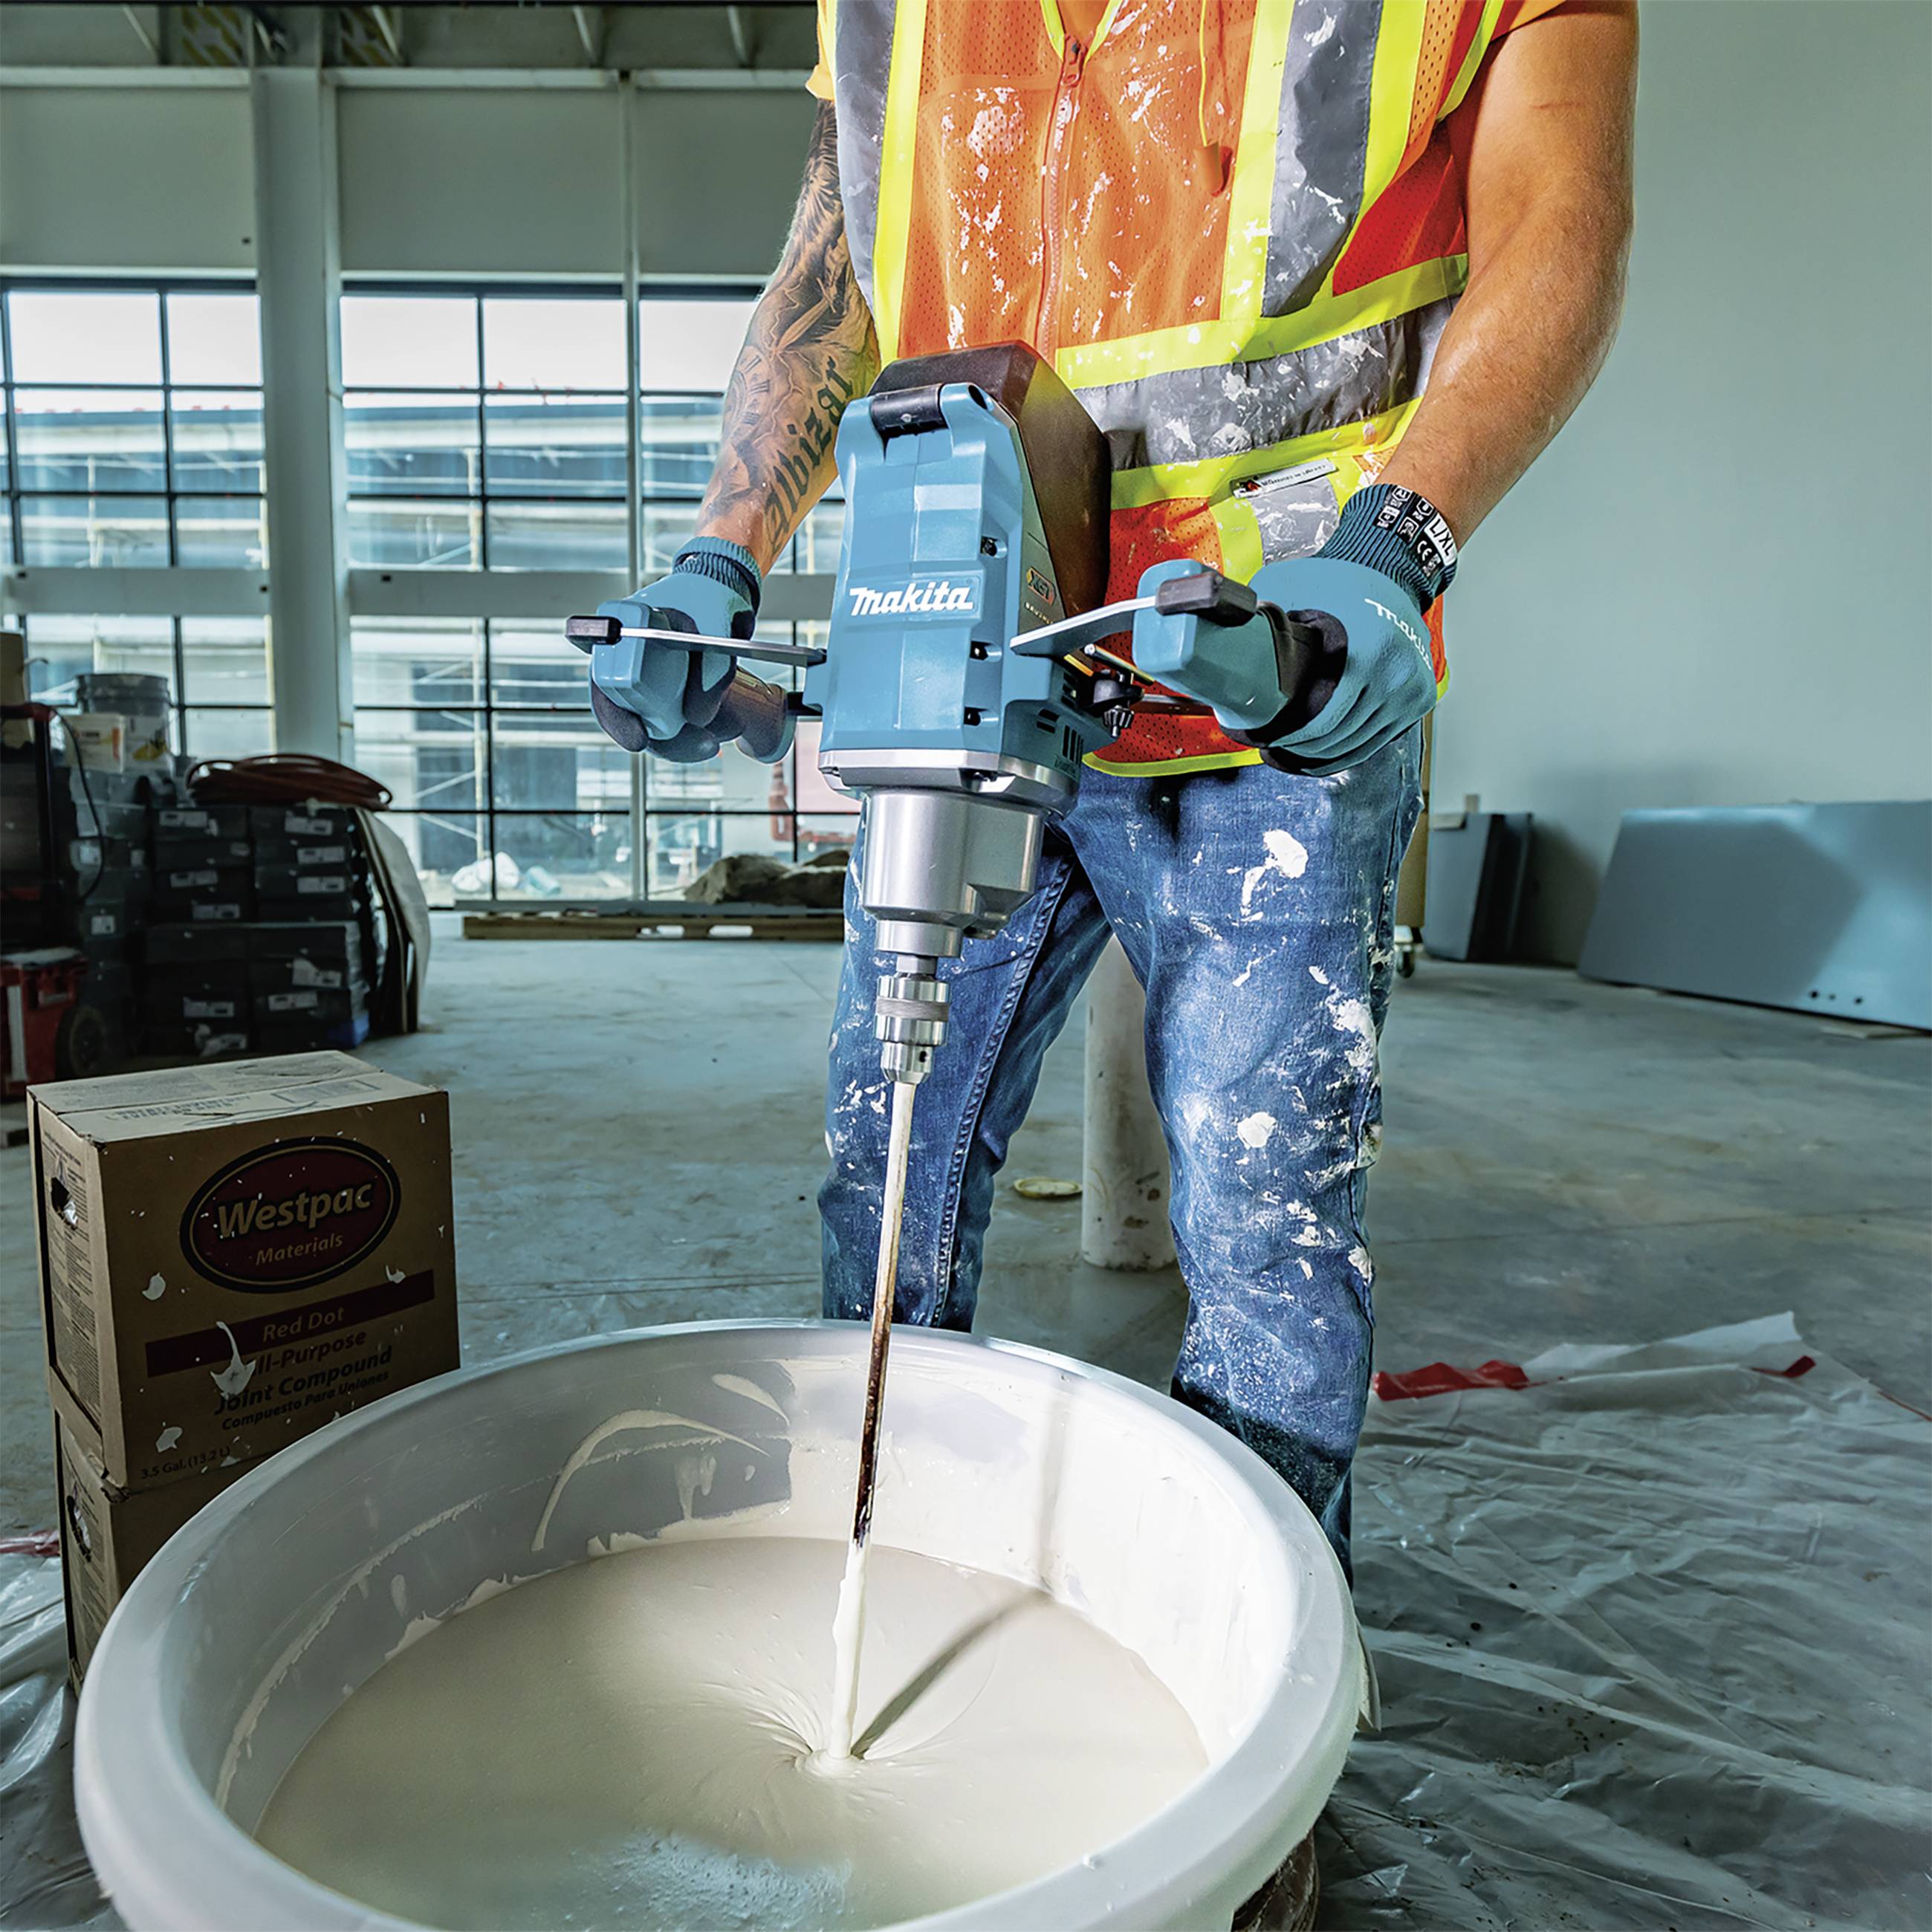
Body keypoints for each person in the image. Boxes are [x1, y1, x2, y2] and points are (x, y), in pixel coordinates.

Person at [600, 0, 1632, 1755]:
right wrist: (722, 546)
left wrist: (1393, 552)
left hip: (1270, 676)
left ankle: (1244, 1726)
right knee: (888, 1154)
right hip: (978, 667)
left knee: (1261, 1223)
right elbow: (831, 273)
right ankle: (878, 1621)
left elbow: (1560, 221)